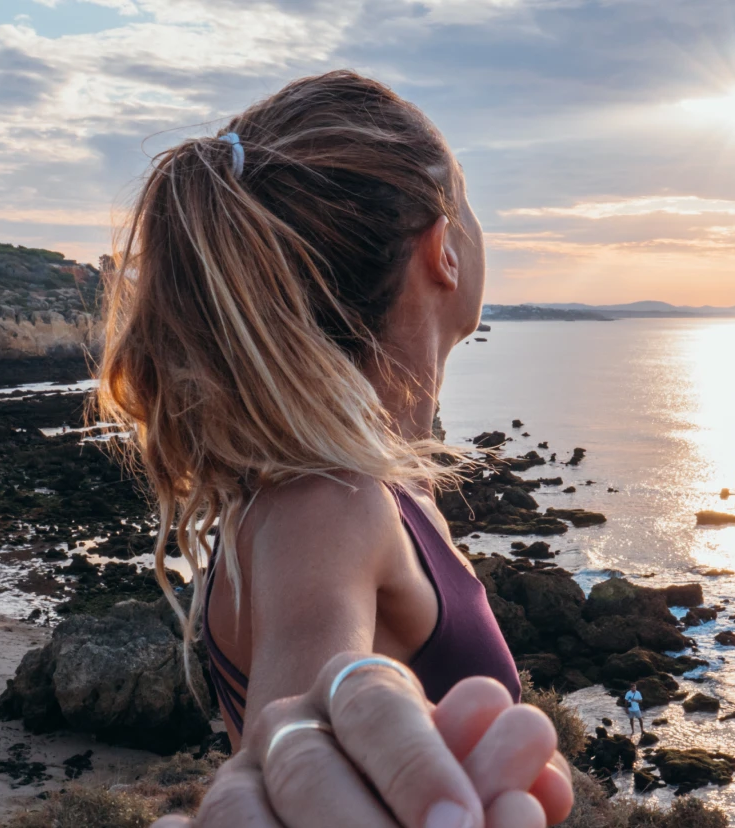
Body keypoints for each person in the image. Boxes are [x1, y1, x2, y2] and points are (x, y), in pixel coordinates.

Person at [99, 70, 574, 827]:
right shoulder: (329, 504)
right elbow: (300, 729)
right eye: (470, 203)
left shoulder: (351, 488)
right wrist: (300, 747)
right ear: (442, 249)